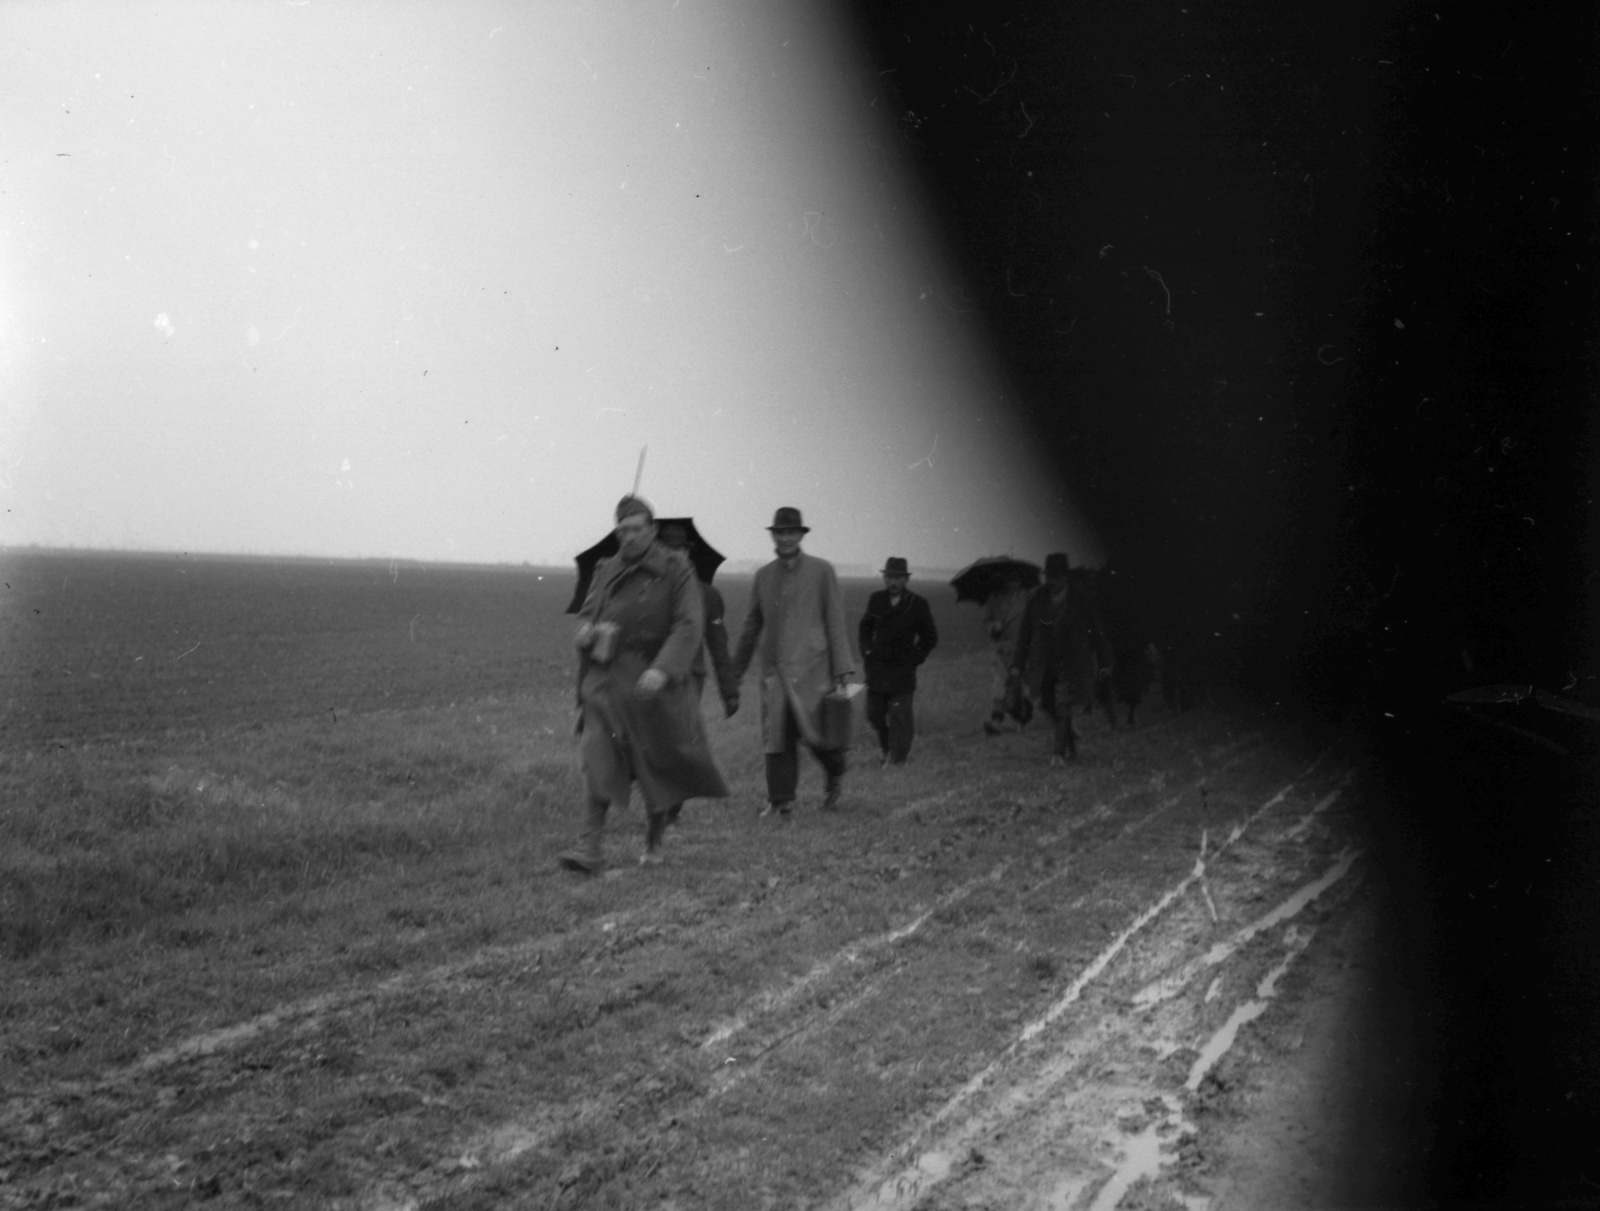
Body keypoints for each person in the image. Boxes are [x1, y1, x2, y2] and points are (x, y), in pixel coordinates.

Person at [563, 495, 730, 872]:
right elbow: (586, 612)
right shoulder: (606, 568)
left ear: (652, 531)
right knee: (598, 755)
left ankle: (654, 842)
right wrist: (585, 631)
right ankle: (589, 848)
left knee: (657, 763)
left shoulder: (677, 569)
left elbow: (688, 624)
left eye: (637, 529)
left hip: (654, 681)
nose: (629, 537)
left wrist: (662, 669)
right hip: (606, 681)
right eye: (622, 530)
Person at [731, 506, 854, 816]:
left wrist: (842, 669)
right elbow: (750, 627)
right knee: (778, 736)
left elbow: (835, 620)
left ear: (801, 535)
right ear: (773, 536)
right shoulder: (763, 576)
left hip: (813, 669)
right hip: (776, 673)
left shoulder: (822, 571)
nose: (785, 538)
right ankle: (780, 801)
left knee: (817, 735)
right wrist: (734, 671)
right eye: (780, 532)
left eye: (791, 532)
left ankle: (835, 772)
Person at [657, 520, 740, 830]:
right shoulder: (647, 590)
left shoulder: (707, 595)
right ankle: (663, 801)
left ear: (688, 553)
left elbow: (719, 647)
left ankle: (671, 807)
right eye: (666, 549)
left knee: (677, 740)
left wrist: (729, 692)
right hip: (651, 677)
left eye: (679, 549)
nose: (674, 554)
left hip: (689, 679)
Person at [1011, 552, 1113, 763]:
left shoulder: (1080, 598)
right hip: (1044, 661)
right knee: (1045, 704)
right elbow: (1025, 633)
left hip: (1072, 660)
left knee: (1063, 703)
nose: (1053, 581)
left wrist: (1104, 659)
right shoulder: (1037, 598)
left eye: (1057, 576)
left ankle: (1058, 753)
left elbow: (1096, 630)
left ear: (1065, 577)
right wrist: (1017, 664)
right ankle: (1070, 742)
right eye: (1050, 576)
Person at [858, 556, 939, 765]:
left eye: (897, 578)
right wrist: (866, 651)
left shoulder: (917, 604)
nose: (892, 582)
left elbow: (930, 637)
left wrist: (915, 658)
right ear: (884, 578)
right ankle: (887, 748)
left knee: (899, 716)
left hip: (902, 670)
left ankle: (897, 759)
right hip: (877, 668)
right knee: (874, 714)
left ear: (906, 580)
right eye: (889, 577)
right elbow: (865, 627)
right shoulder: (876, 599)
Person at [981, 568, 1032, 735]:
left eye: (1015, 578)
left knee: (1021, 688)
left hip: (1023, 649)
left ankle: (1022, 723)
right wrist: (994, 627)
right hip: (1002, 650)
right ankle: (996, 722)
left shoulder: (1029, 597)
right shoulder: (994, 598)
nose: (1012, 582)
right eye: (1008, 578)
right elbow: (987, 621)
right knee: (1001, 686)